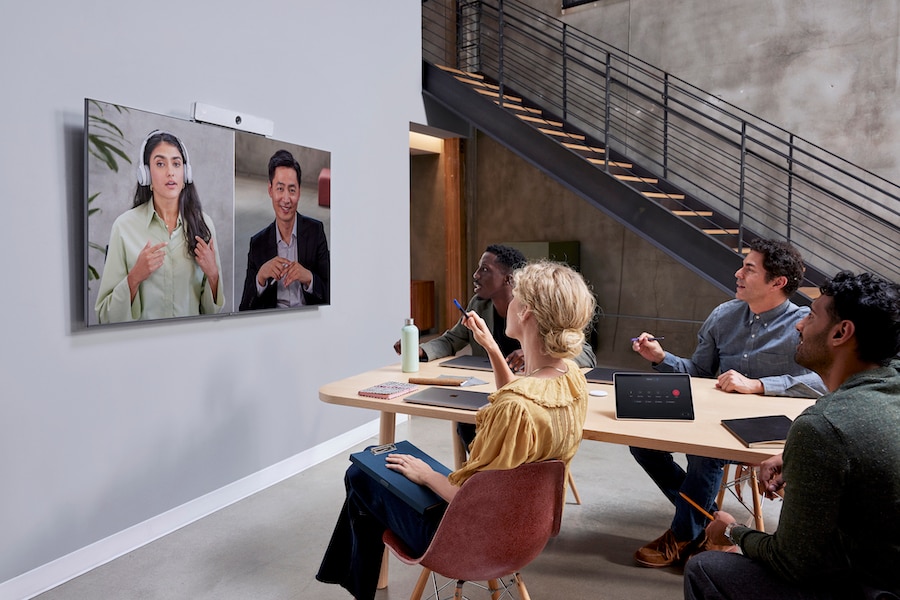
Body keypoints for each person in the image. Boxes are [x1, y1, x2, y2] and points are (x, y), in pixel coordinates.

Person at [317, 261, 597, 600]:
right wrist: (493, 348)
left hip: (473, 542)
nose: (510, 301)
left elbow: (476, 500)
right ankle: (346, 579)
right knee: (374, 473)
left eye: (516, 296)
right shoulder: (572, 381)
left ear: (526, 314)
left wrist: (427, 476)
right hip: (524, 537)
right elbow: (525, 400)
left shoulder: (514, 408)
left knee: (361, 475)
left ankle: (354, 586)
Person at [684, 271, 900, 600]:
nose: (800, 325)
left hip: (876, 587)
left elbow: (793, 564)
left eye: (811, 316)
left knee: (707, 568)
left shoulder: (822, 426)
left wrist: (732, 530)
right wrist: (791, 455)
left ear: (842, 332)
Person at [629, 238, 826, 568]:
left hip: (773, 427)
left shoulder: (804, 323)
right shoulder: (723, 315)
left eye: (749, 269)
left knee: (704, 453)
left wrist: (758, 385)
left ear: (777, 282)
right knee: (641, 443)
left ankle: (681, 534)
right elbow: (699, 372)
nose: (738, 273)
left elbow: (823, 381)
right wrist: (662, 358)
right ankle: (708, 525)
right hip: (719, 418)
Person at [393, 244, 596, 447]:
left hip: (519, 401)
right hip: (498, 395)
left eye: (485, 269)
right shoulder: (479, 306)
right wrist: (421, 349)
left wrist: (538, 351)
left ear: (509, 280)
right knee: (468, 423)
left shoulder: (522, 404)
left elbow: (582, 352)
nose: (476, 275)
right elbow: (452, 340)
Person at [95, 130, 224, 323]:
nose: (170, 172)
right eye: (160, 164)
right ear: (145, 175)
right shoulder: (124, 228)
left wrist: (213, 276)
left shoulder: (204, 225)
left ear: (185, 174)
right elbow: (105, 316)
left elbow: (212, 315)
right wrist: (135, 277)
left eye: (176, 163)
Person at [239, 149, 330, 310]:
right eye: (280, 189)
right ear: (270, 190)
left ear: (299, 192)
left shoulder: (316, 232)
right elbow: (245, 308)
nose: (286, 199)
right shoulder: (257, 243)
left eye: (292, 190)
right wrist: (260, 277)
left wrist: (309, 278)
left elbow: (331, 293)